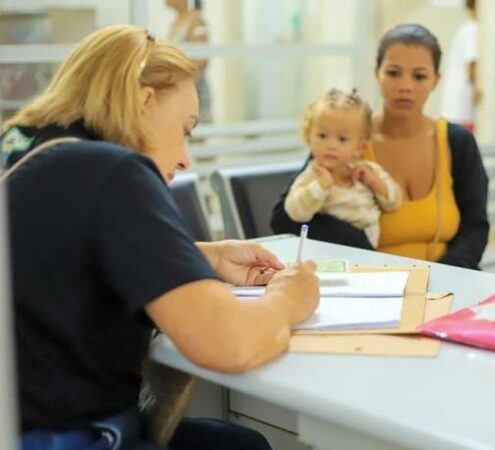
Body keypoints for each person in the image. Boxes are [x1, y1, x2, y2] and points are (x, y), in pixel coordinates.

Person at [1, 25, 319, 449]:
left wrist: (201, 257)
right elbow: (230, 345)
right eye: (185, 129)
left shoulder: (30, 154)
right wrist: (288, 300)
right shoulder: (114, 170)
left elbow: (66, 261)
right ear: (144, 102)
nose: (185, 159)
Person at [272, 24, 489, 270]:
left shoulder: (457, 142)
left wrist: (441, 276)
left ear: (436, 81)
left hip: (449, 282)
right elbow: (284, 220)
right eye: (394, 73)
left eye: (419, 76)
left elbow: (475, 227)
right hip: (371, 282)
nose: (405, 86)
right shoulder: (347, 140)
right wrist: (363, 252)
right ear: (377, 74)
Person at [284, 88, 402, 248]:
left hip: (369, 252)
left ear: (359, 147)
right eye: (322, 136)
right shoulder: (314, 175)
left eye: (342, 139)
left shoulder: (367, 170)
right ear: (308, 137)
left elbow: (394, 202)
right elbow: (295, 212)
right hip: (329, 253)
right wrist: (321, 186)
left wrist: (374, 182)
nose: (331, 145)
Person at [166, 0, 212, 123]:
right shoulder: (175, 23)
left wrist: (185, 85)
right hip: (178, 89)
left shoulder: (197, 22)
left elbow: (202, 59)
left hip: (194, 89)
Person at [439, 0, 480, 131]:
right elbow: (471, 66)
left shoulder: (467, 28)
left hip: (455, 109)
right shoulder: (473, 29)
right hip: (462, 111)